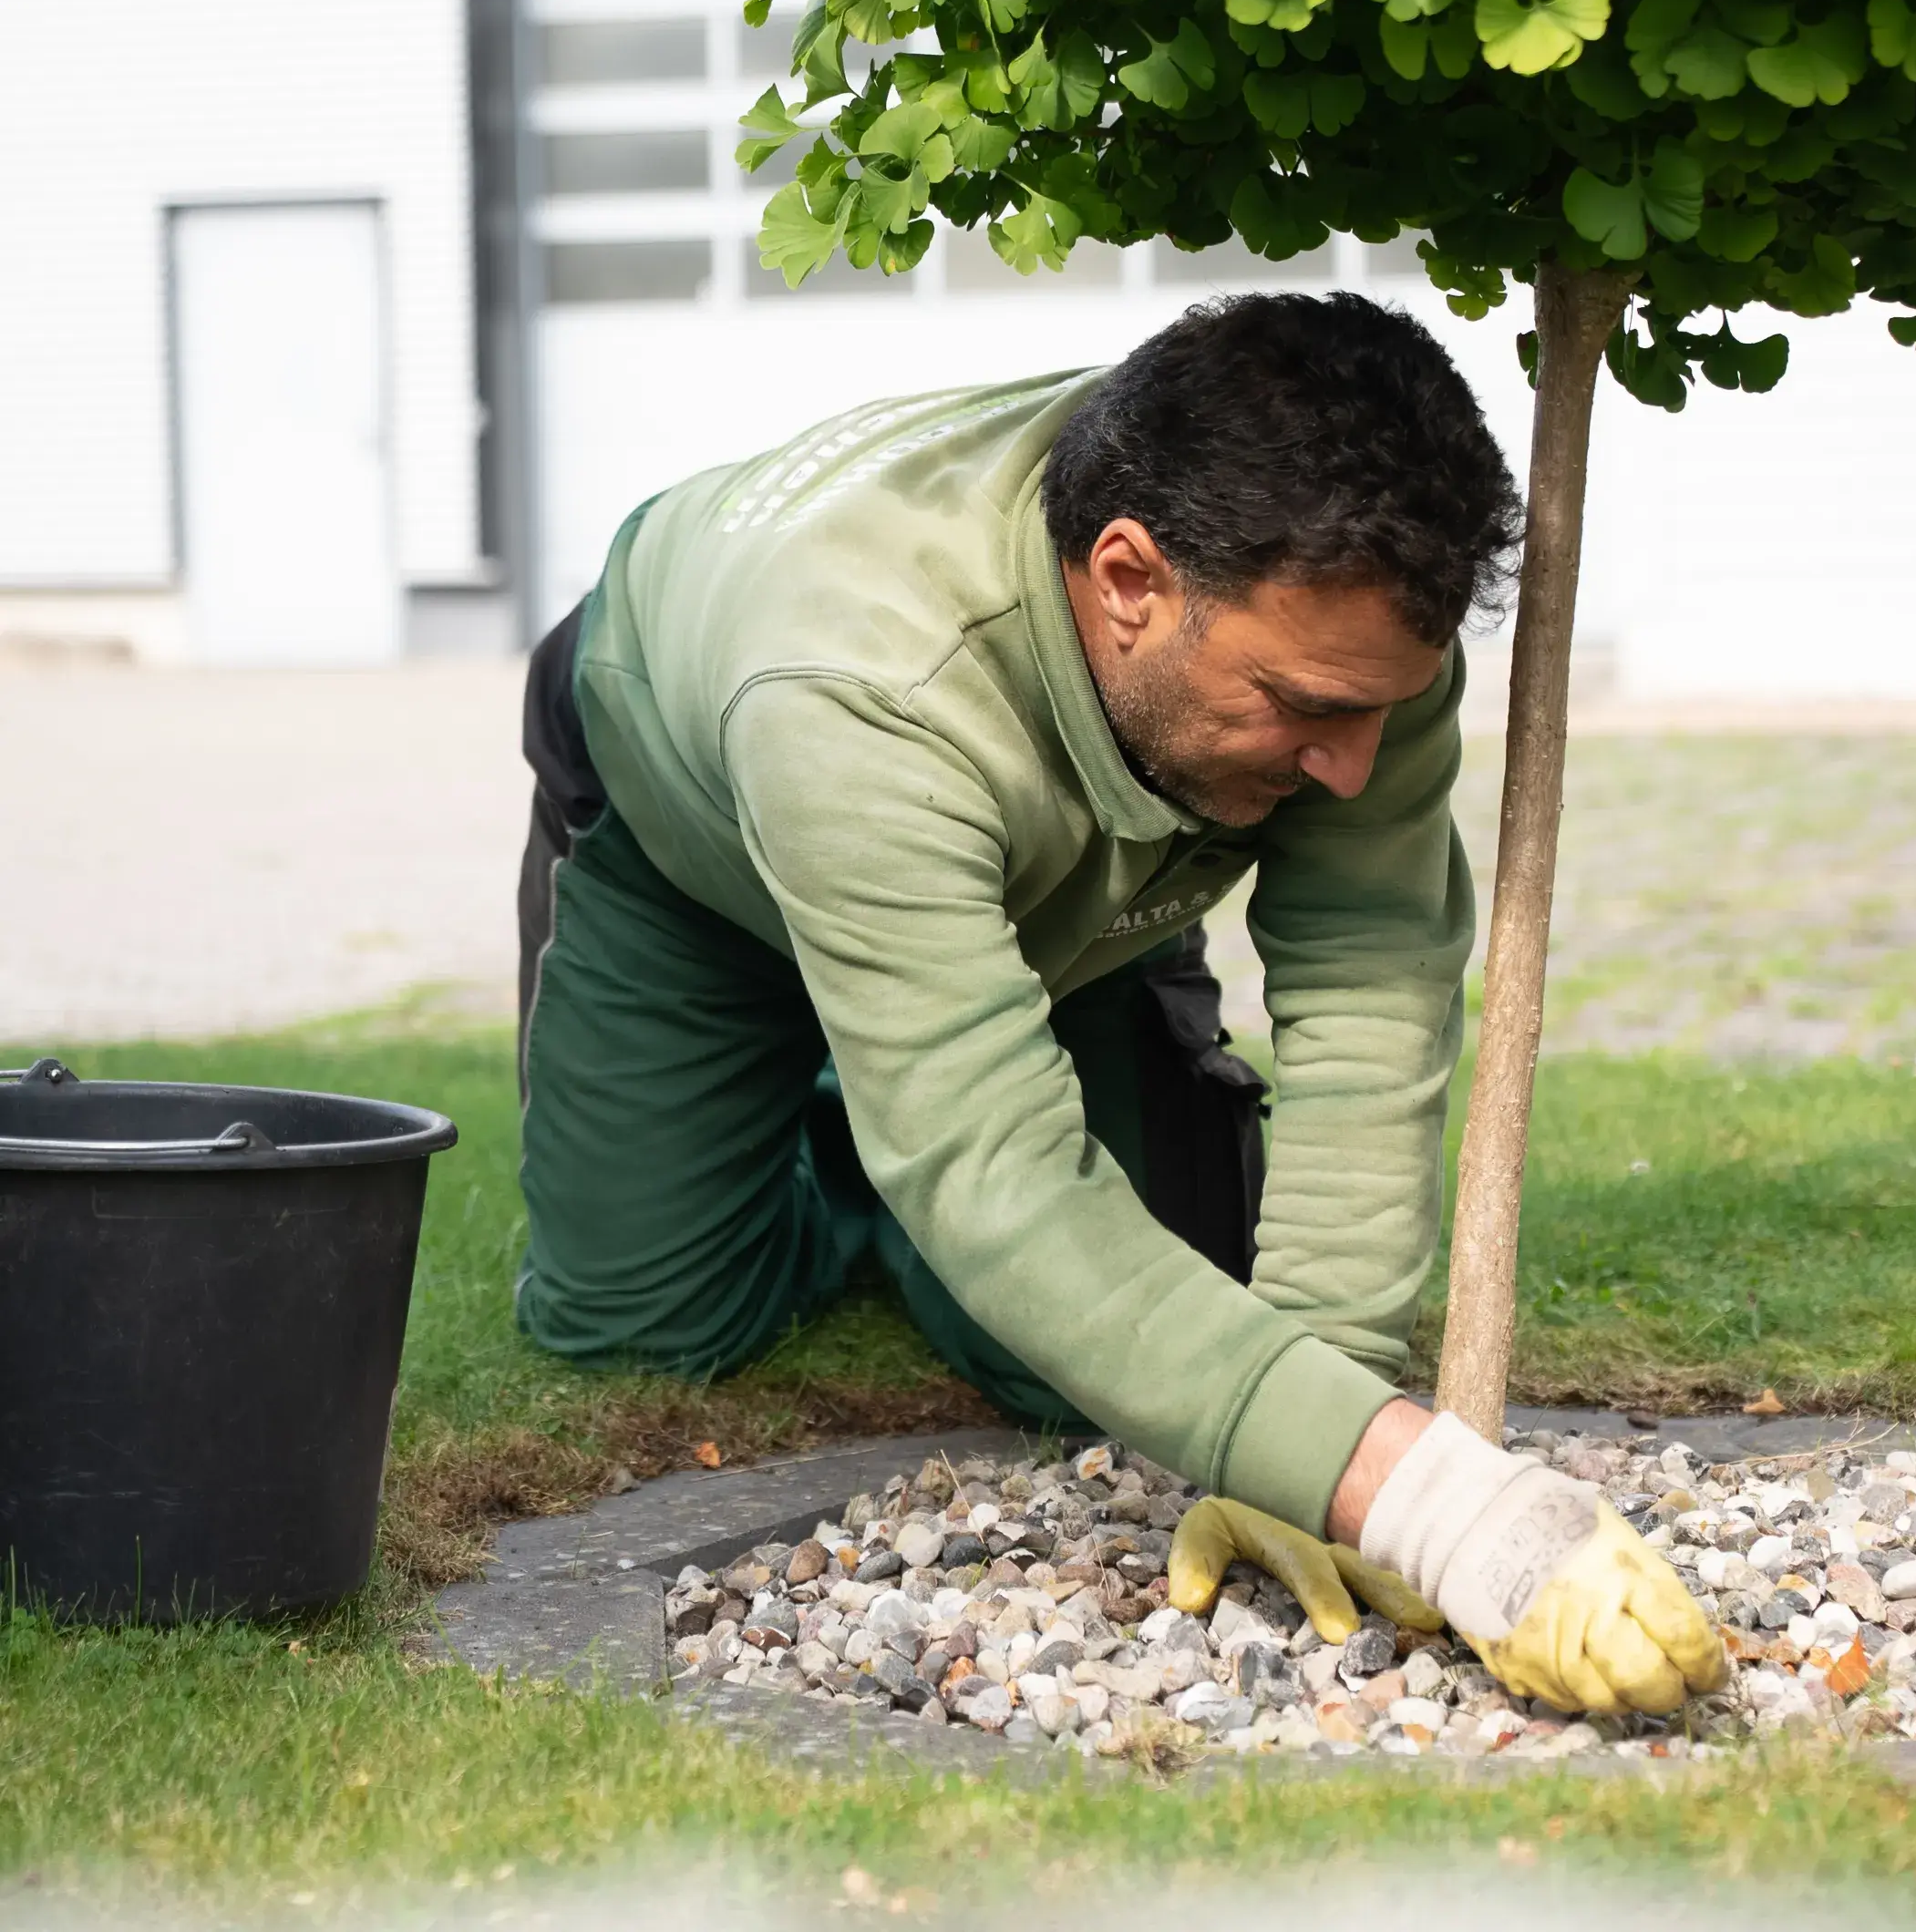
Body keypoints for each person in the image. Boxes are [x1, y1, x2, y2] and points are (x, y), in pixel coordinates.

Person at [513, 291, 1723, 1714]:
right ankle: (882, 1107)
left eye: (1375, 710)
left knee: (1109, 1357)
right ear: (1127, 578)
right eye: (1302, 707)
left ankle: (918, 1088)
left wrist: (1318, 1427)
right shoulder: (858, 680)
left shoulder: (1347, 626)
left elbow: (1369, 975)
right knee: (641, 1324)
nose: (1350, 764)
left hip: (1082, 888)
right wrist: (1446, 1507)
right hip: (697, 852)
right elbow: (998, 1171)